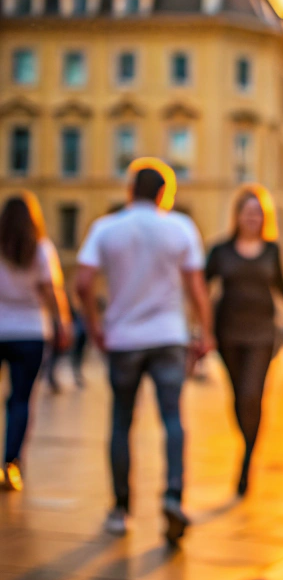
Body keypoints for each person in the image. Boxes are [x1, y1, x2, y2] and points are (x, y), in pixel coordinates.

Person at [75, 165, 213, 543]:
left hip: (122, 338)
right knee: (172, 418)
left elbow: (83, 282)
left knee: (122, 421)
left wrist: (94, 325)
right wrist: (205, 333)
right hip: (169, 336)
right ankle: (172, 494)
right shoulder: (181, 228)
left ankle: (121, 508)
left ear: (130, 188)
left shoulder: (106, 228)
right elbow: (197, 288)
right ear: (164, 194)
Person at [205, 186, 283, 496]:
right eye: (248, 212)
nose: (252, 218)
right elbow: (200, 289)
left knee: (251, 396)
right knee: (236, 399)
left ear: (264, 218)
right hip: (228, 334)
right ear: (238, 216)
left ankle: (246, 462)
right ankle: (246, 444)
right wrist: (200, 329)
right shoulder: (220, 252)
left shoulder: (272, 251)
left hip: (261, 334)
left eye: (258, 213)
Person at [0, 193, 70, 491]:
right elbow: (52, 290)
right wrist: (63, 321)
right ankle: (11, 463)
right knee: (20, 400)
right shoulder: (40, 249)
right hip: (30, 332)